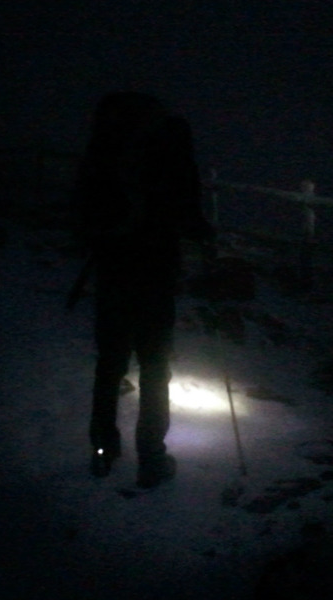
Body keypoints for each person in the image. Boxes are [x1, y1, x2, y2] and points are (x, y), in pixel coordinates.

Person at [72, 92, 214, 488]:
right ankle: (150, 458)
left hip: (114, 269)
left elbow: (83, 210)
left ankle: (103, 452)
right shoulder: (170, 147)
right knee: (154, 369)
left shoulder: (107, 146)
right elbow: (189, 213)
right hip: (155, 271)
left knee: (110, 365)